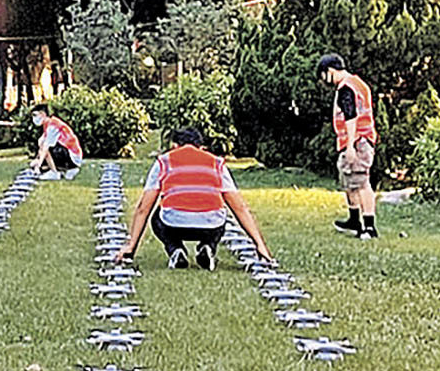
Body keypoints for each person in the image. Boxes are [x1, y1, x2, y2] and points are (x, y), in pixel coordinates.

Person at [116, 128, 273, 270]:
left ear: (175, 146)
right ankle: (208, 246)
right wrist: (259, 244)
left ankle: (175, 249)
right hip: (210, 225)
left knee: (157, 217)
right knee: (221, 214)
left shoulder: (164, 162)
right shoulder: (217, 163)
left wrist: (131, 247)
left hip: (173, 224)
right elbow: (239, 208)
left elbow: (144, 208)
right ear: (201, 148)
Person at [316, 53, 379, 240]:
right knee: (350, 181)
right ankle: (354, 221)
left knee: (361, 182)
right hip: (356, 140)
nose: (324, 81)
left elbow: (351, 117)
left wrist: (351, 146)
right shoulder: (357, 82)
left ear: (330, 71)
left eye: (323, 76)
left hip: (358, 140)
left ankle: (369, 227)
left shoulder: (346, 88)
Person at [29, 103, 83, 178]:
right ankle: (53, 169)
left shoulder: (53, 125)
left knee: (46, 147)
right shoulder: (47, 125)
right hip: (66, 152)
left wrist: (38, 165)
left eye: (35, 115)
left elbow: (46, 147)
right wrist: (38, 158)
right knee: (41, 142)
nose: (34, 118)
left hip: (72, 156)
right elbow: (41, 142)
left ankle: (54, 172)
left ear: (43, 114)